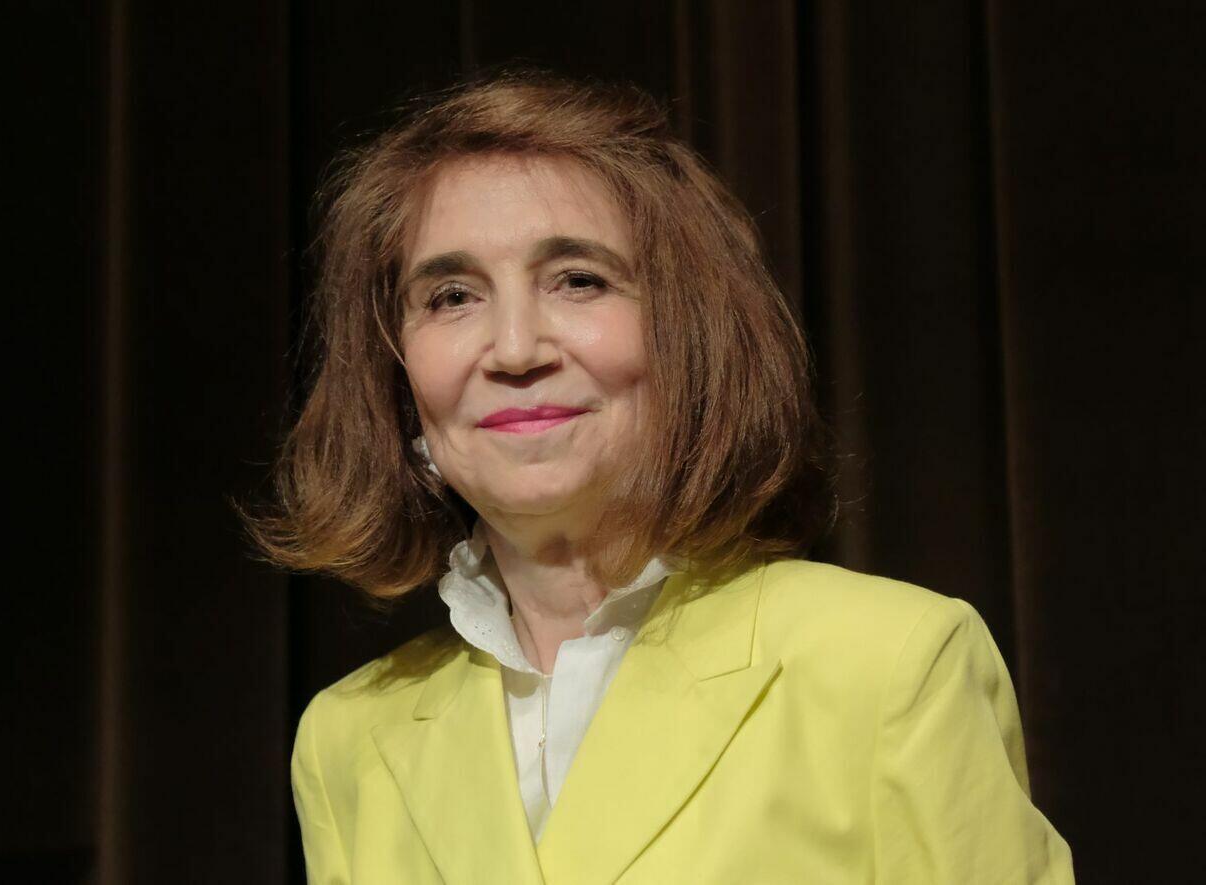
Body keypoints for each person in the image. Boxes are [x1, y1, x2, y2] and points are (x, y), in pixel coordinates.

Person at [247, 70, 1075, 883]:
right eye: (453, 295)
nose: (514, 349)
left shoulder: (890, 663)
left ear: (691, 333)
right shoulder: (347, 740)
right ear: (396, 376)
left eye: (579, 281)